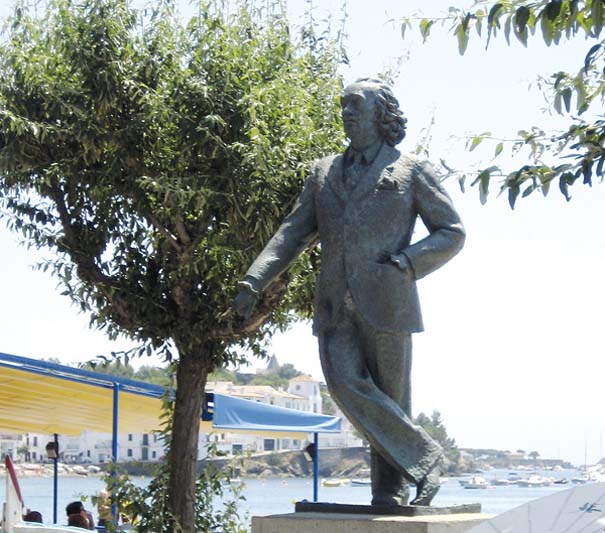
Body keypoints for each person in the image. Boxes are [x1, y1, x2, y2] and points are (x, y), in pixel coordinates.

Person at [232, 78, 465, 506]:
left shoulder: (412, 170)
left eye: (356, 104)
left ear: (381, 113)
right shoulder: (323, 172)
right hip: (334, 302)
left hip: (389, 298)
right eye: (343, 105)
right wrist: (254, 280)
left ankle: (389, 492)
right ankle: (427, 457)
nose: (347, 113)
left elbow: (451, 232)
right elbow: (292, 233)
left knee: (392, 397)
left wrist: (408, 262)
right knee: (343, 383)